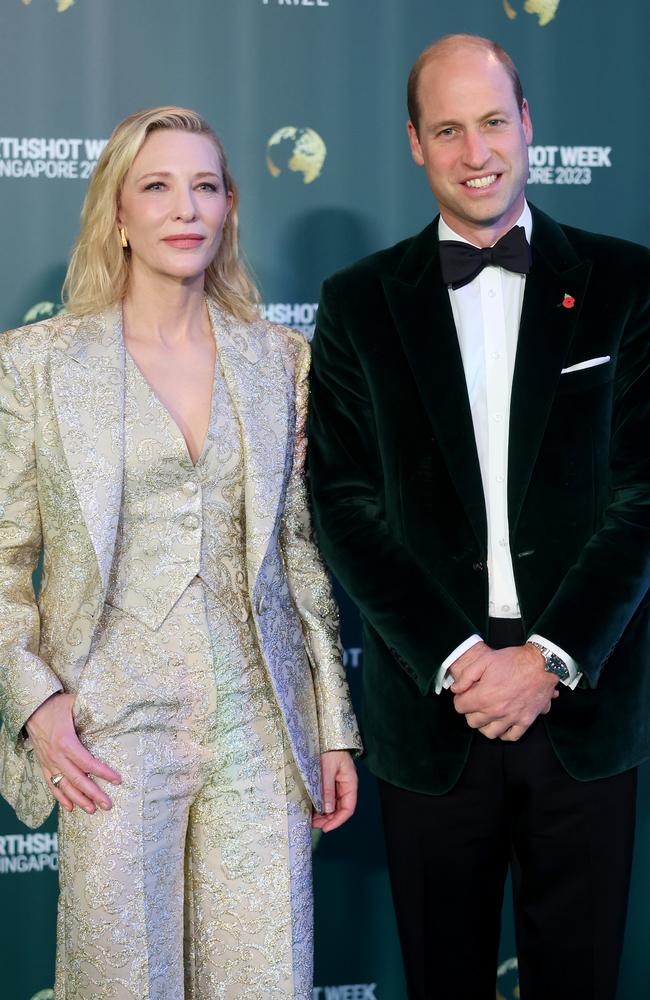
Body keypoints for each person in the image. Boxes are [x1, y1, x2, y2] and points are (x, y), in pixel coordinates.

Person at [307, 33, 649, 1000]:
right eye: (448, 129)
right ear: (415, 143)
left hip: (584, 702)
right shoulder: (360, 302)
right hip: (432, 709)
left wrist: (547, 661)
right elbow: (342, 503)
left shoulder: (627, 287)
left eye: (494, 121)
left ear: (528, 123)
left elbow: (642, 494)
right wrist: (462, 661)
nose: (477, 151)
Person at [0, 105, 361, 1000]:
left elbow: (300, 557)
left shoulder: (281, 360)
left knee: (265, 976)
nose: (185, 207)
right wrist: (37, 703)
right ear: (117, 214)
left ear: (230, 206)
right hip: (112, 723)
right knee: (123, 980)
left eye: (205, 186)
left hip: (261, 721)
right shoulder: (36, 364)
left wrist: (333, 725)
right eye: (157, 186)